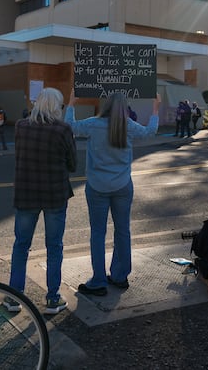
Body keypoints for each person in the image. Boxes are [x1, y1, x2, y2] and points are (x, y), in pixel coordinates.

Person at [65, 90, 160, 296]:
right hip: (123, 186)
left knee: (98, 233)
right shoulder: (129, 126)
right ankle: (119, 275)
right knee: (122, 230)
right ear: (124, 107)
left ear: (106, 106)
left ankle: (98, 281)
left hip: (97, 186)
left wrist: (71, 103)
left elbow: (70, 126)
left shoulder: (93, 124)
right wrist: (155, 107)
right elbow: (150, 131)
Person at [5, 87, 76, 315]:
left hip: (26, 194)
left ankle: (14, 298)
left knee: (21, 246)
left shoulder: (20, 127)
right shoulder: (63, 129)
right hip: (54, 195)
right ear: (57, 107)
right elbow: (73, 164)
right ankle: (53, 299)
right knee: (54, 247)